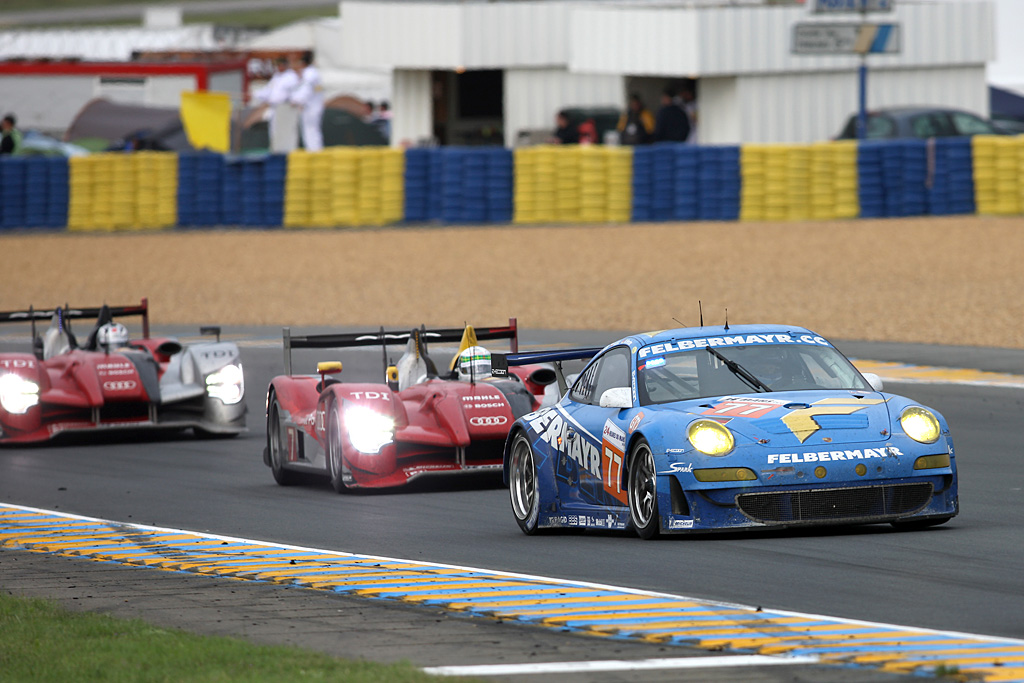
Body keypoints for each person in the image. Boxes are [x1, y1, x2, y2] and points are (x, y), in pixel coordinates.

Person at [289, 51, 325, 152]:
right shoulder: (313, 73)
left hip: (311, 107)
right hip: (312, 105)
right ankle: (314, 150)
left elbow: (306, 90)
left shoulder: (309, 74)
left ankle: (314, 152)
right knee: (312, 130)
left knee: (310, 131)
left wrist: (296, 100)